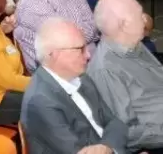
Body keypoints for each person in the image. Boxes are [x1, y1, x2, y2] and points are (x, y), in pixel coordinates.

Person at [20, 18, 128, 154]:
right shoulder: (41, 101)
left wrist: (107, 147)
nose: (88, 55)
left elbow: (114, 122)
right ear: (56, 54)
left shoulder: (82, 78)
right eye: (81, 49)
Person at [87, 0, 163, 152]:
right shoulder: (106, 70)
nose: (145, 20)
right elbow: (127, 132)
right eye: (140, 16)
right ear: (124, 25)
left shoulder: (133, 44)